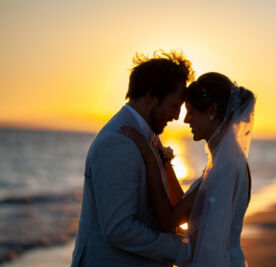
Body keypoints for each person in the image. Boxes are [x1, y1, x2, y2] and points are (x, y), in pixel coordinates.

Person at [71, 50, 195, 266]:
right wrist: (181, 250)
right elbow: (119, 228)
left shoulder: (148, 138)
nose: (176, 116)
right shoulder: (118, 141)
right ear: (150, 97)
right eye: (174, 105)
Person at [119, 72, 255, 266]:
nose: (186, 120)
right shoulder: (227, 162)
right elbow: (185, 208)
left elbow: (169, 221)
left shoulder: (225, 168)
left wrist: (150, 158)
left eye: (191, 112)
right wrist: (164, 162)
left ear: (213, 111)